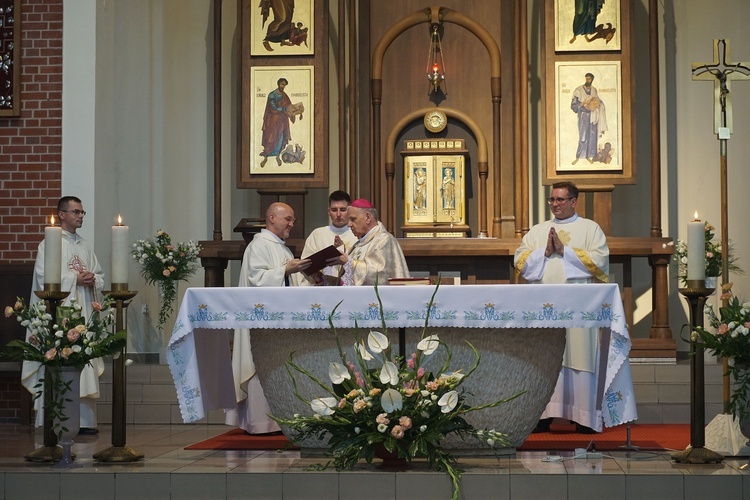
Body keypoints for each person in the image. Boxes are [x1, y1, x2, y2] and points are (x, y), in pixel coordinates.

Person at [514, 182, 609, 433]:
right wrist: (544, 253)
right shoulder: (538, 231)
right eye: (552, 200)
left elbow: (600, 263)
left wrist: (565, 252)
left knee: (579, 356)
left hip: (579, 308)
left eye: (560, 200)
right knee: (548, 358)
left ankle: (583, 416)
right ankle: (543, 415)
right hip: (545, 306)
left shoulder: (590, 229)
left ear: (574, 202)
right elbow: (520, 261)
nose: (555, 204)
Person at [21, 196, 105, 434]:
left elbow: (99, 274)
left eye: (82, 212)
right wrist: (74, 279)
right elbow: (43, 277)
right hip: (58, 313)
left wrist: (92, 279)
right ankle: (53, 419)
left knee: (84, 361)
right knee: (58, 359)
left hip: (83, 311)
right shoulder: (49, 244)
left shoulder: (84, 245)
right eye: (76, 212)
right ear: (62, 214)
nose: (80, 216)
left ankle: (85, 422)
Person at [227, 202, 311, 434]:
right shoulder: (259, 245)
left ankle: (276, 420)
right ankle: (259, 422)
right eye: (289, 219)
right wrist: (285, 270)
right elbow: (257, 279)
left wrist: (311, 278)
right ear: (272, 218)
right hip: (260, 324)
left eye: (292, 220)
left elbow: (291, 282)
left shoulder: (281, 248)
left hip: (278, 323)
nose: (292, 224)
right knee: (259, 365)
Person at [328, 198, 410, 286]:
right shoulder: (358, 245)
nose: (349, 224)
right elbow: (348, 282)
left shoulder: (383, 239)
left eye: (353, 219)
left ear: (367, 217)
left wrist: (348, 262)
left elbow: (379, 275)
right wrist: (323, 279)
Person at [298, 191, 357, 286]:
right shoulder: (317, 234)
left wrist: (344, 251)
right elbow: (306, 265)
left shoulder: (356, 233)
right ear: (328, 211)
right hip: (323, 287)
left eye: (342, 209)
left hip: (351, 288)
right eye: (334, 210)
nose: (338, 214)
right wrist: (317, 276)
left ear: (349, 211)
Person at [260, 78, 303, 168]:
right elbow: (273, 107)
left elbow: (289, 106)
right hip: (272, 121)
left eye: (284, 85)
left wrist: (298, 111)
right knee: (270, 139)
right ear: (278, 84)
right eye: (282, 84)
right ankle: (265, 158)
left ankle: (277, 156)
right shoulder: (272, 95)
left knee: (280, 138)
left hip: (282, 122)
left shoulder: (284, 95)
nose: (283, 87)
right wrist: (284, 109)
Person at [571, 73, 608, 165]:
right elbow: (573, 106)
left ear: (592, 80)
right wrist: (583, 103)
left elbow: (598, 100)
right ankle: (579, 156)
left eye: (590, 79)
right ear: (585, 79)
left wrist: (599, 103)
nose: (588, 81)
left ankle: (590, 155)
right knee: (583, 136)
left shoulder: (594, 90)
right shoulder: (578, 90)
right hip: (583, 116)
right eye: (587, 79)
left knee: (592, 136)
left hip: (593, 116)